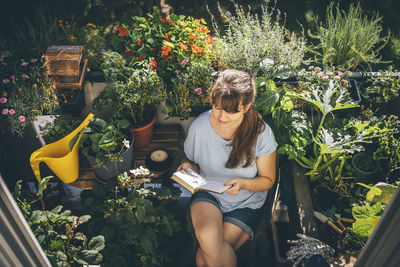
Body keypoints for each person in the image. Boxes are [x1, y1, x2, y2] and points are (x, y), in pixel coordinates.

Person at [177, 69, 278, 267]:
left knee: (203, 259)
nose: (222, 116)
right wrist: (187, 166)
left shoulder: (262, 133)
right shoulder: (200, 127)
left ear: (247, 106)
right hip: (209, 193)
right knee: (209, 243)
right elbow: (190, 159)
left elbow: (268, 180)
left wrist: (243, 184)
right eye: (217, 107)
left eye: (231, 111)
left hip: (245, 202)